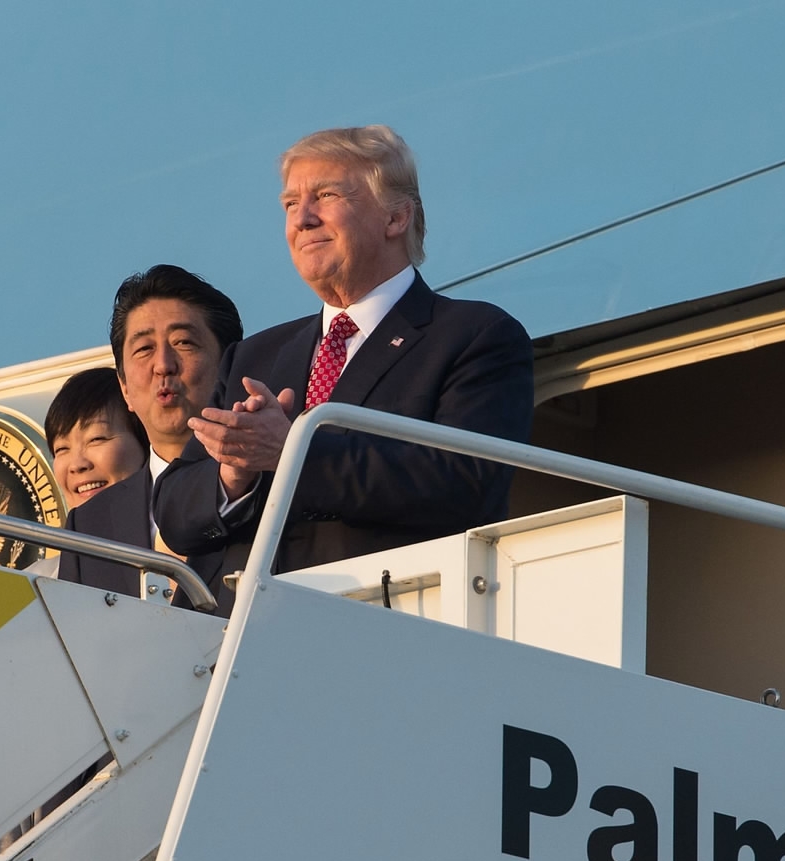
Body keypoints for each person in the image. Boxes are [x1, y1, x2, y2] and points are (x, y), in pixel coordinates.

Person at [154, 125, 533, 592]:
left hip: (377, 613)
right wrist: (234, 473)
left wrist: (292, 452)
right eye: (290, 204)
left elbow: (466, 483)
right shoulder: (254, 356)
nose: (302, 219)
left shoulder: (474, 336)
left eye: (326, 195)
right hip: (240, 623)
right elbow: (173, 511)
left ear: (396, 217)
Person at [110, 265, 244, 486]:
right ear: (124, 387)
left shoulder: (282, 481)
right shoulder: (102, 509)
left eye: (183, 342)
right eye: (144, 348)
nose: (163, 365)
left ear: (228, 367)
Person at [47, 367, 164, 597]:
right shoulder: (39, 582)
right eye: (62, 448)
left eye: (96, 439)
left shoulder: (192, 528)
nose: (77, 464)